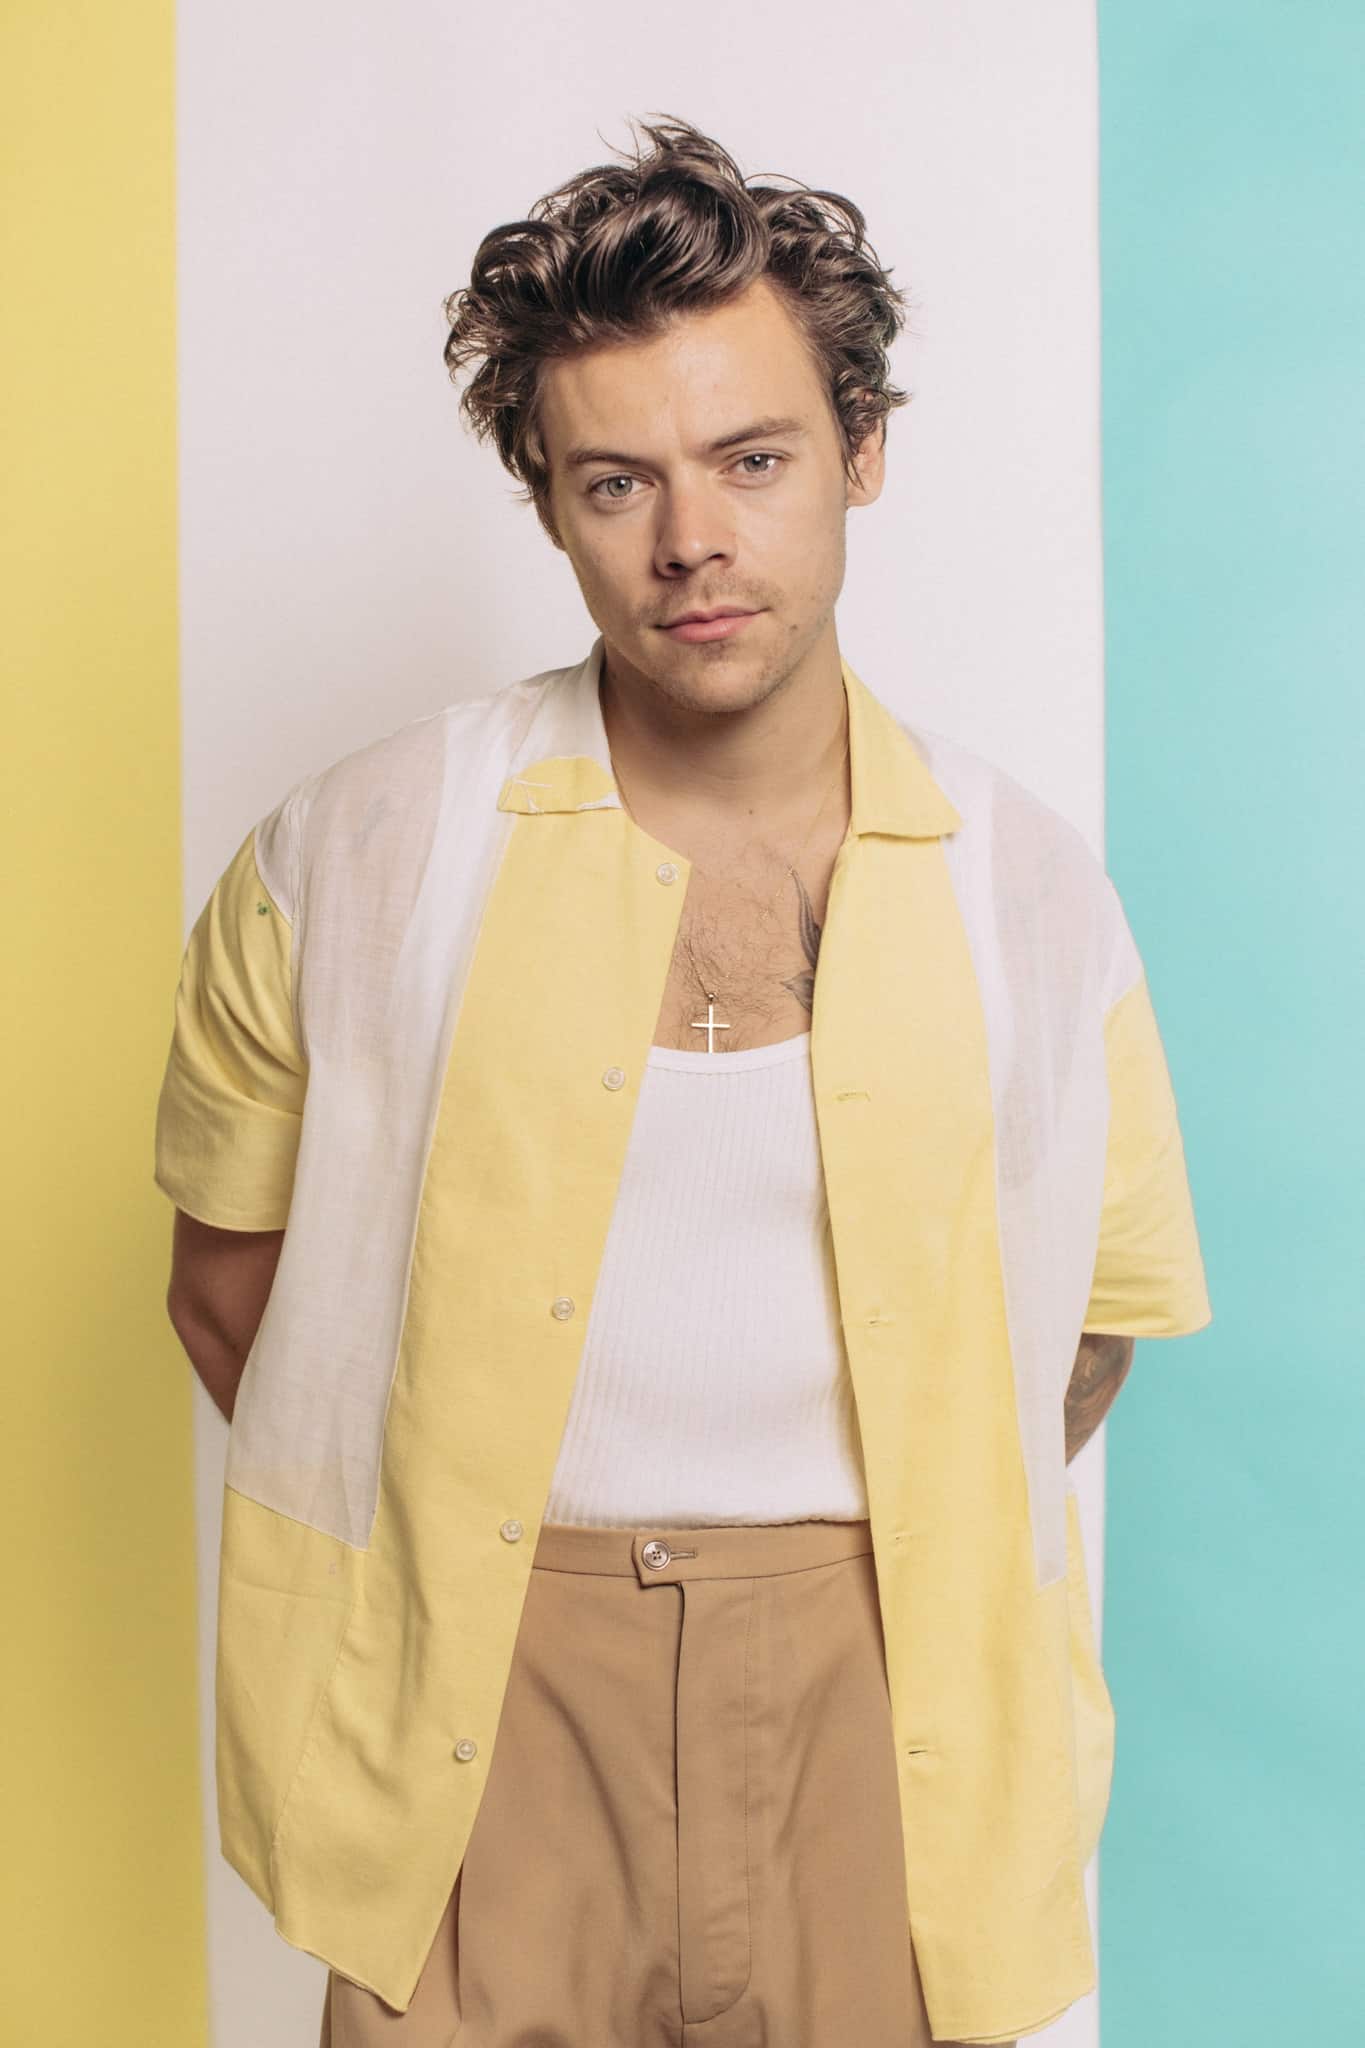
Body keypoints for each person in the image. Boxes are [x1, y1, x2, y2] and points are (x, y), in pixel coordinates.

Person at [156, 116, 1211, 2048]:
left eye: (753, 459)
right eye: (615, 481)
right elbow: (230, 1294)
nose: (690, 540)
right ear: (547, 503)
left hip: (886, 1712)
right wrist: (459, 1534)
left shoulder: (1031, 891)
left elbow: (1088, 1330)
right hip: (472, 1712)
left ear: (861, 451)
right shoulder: (353, 855)